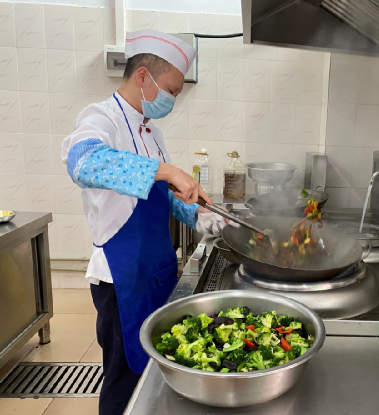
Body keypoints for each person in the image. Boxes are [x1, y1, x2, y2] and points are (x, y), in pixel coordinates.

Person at [61, 30, 232, 415]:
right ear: (143, 76)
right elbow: (82, 163)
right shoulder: (100, 118)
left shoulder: (150, 131)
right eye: (171, 90)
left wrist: (205, 216)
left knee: (156, 372)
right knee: (124, 377)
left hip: (157, 272)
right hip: (121, 280)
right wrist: (168, 170)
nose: (173, 99)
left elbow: (162, 196)